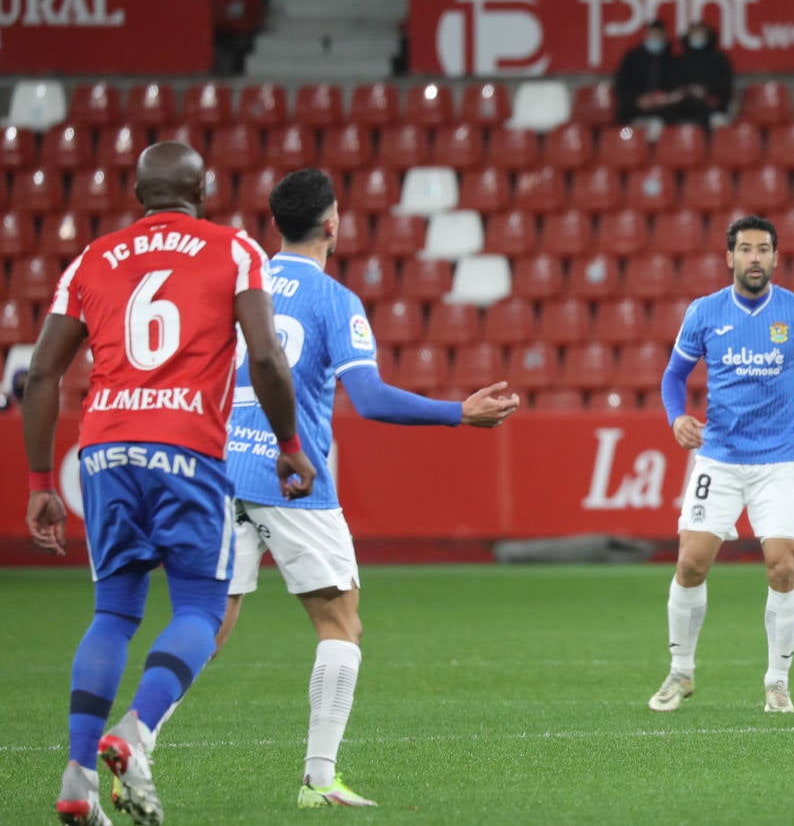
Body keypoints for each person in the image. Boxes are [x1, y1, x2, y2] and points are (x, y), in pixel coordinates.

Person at [142, 169, 518, 808]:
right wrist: (460, 413)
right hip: (292, 477)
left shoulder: (238, 284)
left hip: (216, 468)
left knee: (210, 623)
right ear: (333, 223)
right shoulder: (333, 299)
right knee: (340, 623)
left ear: (276, 223)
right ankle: (318, 778)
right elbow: (368, 399)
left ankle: (135, 738)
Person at [24, 141, 314, 826]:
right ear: (203, 189)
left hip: (103, 450)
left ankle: (76, 778)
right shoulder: (234, 250)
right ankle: (131, 731)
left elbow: (41, 374)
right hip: (186, 448)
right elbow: (267, 356)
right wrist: (289, 444)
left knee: (114, 613)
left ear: (137, 193)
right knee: (199, 610)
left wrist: (40, 478)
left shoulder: (91, 258)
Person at [648, 214, 794, 715]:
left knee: (783, 568)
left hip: (778, 462)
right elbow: (673, 376)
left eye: (763, 249)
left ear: (775, 257)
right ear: (729, 257)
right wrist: (676, 417)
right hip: (719, 459)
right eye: (746, 249)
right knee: (689, 563)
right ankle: (680, 672)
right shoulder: (705, 313)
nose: (755, 257)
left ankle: (777, 682)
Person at [613, 19, 680, 125]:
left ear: (664, 36)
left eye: (658, 35)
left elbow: (677, 88)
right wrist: (636, 99)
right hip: (633, 111)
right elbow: (621, 86)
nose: (655, 38)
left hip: (664, 113)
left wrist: (664, 98)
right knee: (627, 134)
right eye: (652, 34)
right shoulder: (631, 58)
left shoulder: (673, 60)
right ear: (645, 35)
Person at [674, 21, 734, 128]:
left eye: (700, 34)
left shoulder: (720, 59)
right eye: (694, 34)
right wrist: (689, 90)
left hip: (714, 109)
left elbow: (725, 85)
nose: (697, 37)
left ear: (708, 36)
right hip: (685, 111)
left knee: (718, 123)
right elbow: (674, 84)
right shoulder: (680, 61)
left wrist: (706, 90)